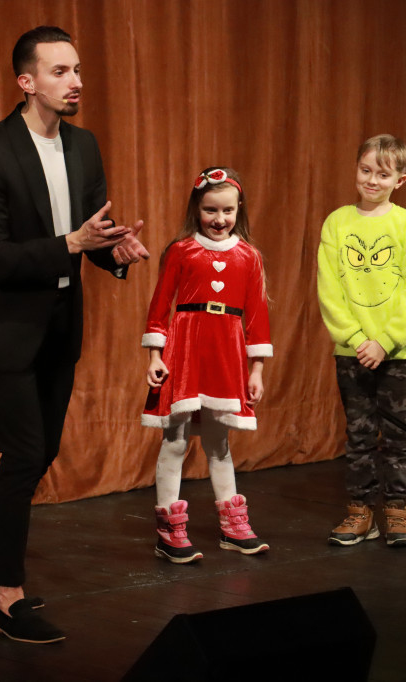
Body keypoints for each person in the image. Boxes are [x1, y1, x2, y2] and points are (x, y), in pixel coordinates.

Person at [0, 26, 149, 644]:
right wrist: (71, 243)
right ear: (26, 81)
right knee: (23, 454)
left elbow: (92, 232)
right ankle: (4, 594)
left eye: (78, 70)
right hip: (4, 330)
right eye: (61, 72)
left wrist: (116, 251)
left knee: (44, 452)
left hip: (61, 327)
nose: (76, 83)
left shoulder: (85, 147)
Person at [141, 167, 272, 564]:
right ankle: (169, 531)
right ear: (197, 208)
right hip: (185, 349)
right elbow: (160, 305)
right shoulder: (181, 251)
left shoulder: (249, 256)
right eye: (211, 210)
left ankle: (233, 527)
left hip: (225, 354)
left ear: (239, 210)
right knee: (176, 439)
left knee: (218, 442)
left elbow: (257, 315)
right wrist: (155, 355)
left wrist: (256, 369)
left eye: (227, 211)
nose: (219, 219)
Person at [316, 134, 406, 548]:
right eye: (365, 170)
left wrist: (385, 340)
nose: (371, 180)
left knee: (397, 437)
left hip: (399, 352)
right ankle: (361, 510)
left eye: (382, 174)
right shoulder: (337, 222)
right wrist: (355, 337)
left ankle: (396, 509)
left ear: (400, 180)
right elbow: (329, 290)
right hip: (352, 352)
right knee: (360, 434)